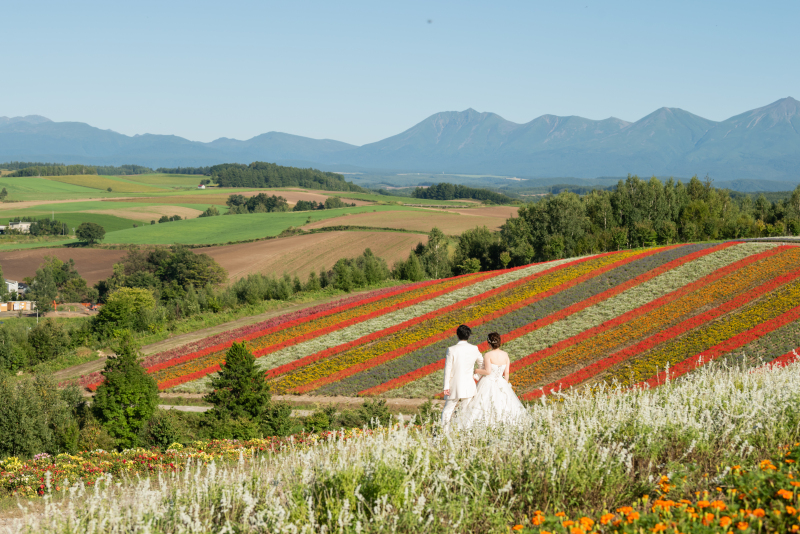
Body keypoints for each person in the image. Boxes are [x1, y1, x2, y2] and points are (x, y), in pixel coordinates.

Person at [459, 332, 528, 428]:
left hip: (488, 382)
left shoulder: (488, 355)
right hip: (501, 382)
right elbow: (506, 373)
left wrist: (476, 370)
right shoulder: (505, 355)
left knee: (482, 405)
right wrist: (505, 384)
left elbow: (487, 371)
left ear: (489, 343)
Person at [441, 324, 482, 427]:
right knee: (465, 411)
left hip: (453, 385)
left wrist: (446, 386)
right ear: (468, 336)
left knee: (447, 410)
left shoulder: (451, 349)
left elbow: (448, 369)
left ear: (457, 335)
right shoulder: (474, 348)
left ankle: (444, 432)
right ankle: (461, 432)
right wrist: (476, 377)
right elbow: (482, 364)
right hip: (469, 385)